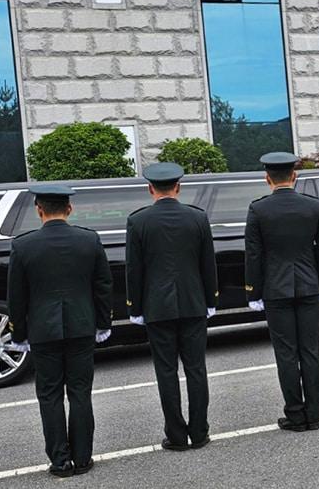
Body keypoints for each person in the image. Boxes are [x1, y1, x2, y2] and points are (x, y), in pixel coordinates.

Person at [7, 185, 114, 477]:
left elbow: (16, 296)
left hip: (43, 329)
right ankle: (82, 458)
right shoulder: (89, 240)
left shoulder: (23, 245)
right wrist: (104, 323)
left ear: (38, 209)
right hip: (81, 325)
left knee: (50, 395)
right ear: (69, 209)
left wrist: (18, 334)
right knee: (80, 392)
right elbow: (103, 287)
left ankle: (59, 460)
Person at [125, 162, 218, 450]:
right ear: (178, 187)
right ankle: (199, 432)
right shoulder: (198, 218)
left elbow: (134, 270)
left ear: (150, 188)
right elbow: (208, 265)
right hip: (193, 303)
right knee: (196, 370)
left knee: (166, 372)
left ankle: (176, 436)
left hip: (157, 307)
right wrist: (210, 300)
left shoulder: (138, 221)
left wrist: (135, 307)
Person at [245, 152, 319, 431]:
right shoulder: (313, 205)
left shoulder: (258, 209)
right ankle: (314, 413)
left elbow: (254, 255)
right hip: (309, 286)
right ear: (294, 176)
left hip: (275, 289)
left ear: (267, 178)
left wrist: (253, 292)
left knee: (286, 353)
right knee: (310, 350)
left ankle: (295, 414)